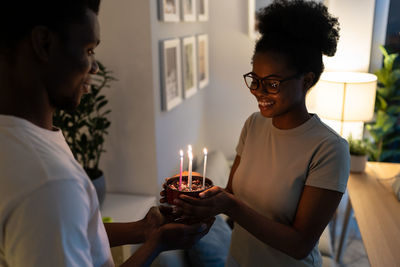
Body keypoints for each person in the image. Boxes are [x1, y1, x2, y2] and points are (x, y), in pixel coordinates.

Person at [0, 1, 212, 266]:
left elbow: (74, 232)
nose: (95, 67)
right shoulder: (49, 181)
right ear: (44, 44)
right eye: (89, 50)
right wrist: (156, 245)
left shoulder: (19, 140)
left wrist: (144, 229)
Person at [164, 0, 350, 266]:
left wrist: (229, 205)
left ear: (307, 80)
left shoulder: (329, 148)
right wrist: (198, 201)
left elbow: (299, 244)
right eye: (255, 79)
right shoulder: (253, 125)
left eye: (272, 83)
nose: (258, 91)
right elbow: (232, 194)